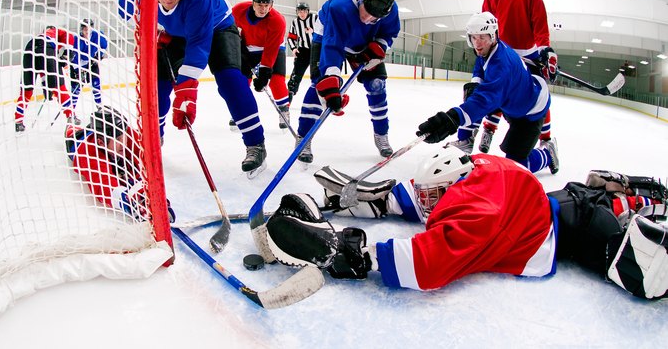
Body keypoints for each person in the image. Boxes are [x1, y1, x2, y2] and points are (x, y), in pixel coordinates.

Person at [264, 145, 668, 299]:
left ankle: (639, 199)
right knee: (588, 188)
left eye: (431, 196)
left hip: (567, 230)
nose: (425, 201)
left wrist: (353, 252)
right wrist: (361, 200)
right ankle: (631, 190)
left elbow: (434, 259)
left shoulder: (479, 210)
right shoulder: (473, 165)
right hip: (556, 199)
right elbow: (422, 192)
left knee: (638, 263)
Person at [117, 0, 267, 176]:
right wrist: (155, 29)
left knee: (231, 82)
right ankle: (154, 139)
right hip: (177, 34)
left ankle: (256, 144)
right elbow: (125, 8)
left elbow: (198, 44)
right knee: (157, 87)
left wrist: (186, 90)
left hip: (218, 28)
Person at [453, 0, 558, 172]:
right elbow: (485, 21)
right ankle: (485, 130)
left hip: (526, 55)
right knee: (488, 89)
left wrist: (545, 50)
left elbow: (540, 25)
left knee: (533, 96)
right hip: (499, 49)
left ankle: (545, 140)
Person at [416, 11, 556, 174]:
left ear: (494, 35)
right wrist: (475, 84)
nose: (477, 43)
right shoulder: (488, 49)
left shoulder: (502, 66)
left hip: (530, 109)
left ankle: (547, 153)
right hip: (512, 101)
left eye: (482, 37)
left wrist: (451, 119)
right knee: (472, 94)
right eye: (474, 37)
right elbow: (479, 67)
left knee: (515, 168)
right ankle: (466, 139)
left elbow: (485, 100)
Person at [296, 0, 401, 162]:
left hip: (364, 40)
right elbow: (333, 45)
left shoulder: (390, 10)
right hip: (328, 34)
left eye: (374, 18)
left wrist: (380, 45)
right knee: (320, 85)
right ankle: (303, 137)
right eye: (367, 13)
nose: (368, 19)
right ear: (361, 0)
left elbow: (389, 32)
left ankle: (381, 134)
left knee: (377, 85)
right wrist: (331, 81)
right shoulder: (340, 7)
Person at [65, 106, 150, 220]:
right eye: (117, 140)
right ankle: (71, 124)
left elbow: (146, 159)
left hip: (101, 136)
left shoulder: (125, 132)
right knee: (72, 132)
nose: (123, 144)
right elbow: (104, 185)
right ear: (101, 142)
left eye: (122, 138)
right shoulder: (89, 152)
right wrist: (126, 201)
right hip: (78, 140)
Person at [231, 0, 290, 129]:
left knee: (276, 81)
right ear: (253, 3)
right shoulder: (239, 10)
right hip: (248, 47)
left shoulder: (278, 21)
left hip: (273, 47)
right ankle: (241, 111)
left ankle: (284, 110)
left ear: (271, 5)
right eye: (259, 5)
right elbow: (228, 29)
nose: (263, 9)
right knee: (241, 80)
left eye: (266, 5)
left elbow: (270, 50)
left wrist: (264, 72)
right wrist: (237, 44)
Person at [14, 26, 78, 132]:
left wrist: (46, 88)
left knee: (26, 90)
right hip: (46, 48)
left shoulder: (41, 35)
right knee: (59, 86)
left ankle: (18, 122)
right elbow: (70, 36)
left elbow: (41, 68)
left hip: (29, 48)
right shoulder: (55, 30)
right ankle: (71, 116)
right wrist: (67, 54)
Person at [70, 18, 108, 112]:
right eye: (85, 29)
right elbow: (75, 58)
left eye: (89, 29)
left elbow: (104, 45)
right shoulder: (77, 40)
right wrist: (78, 71)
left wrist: (98, 56)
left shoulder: (97, 35)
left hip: (92, 62)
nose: (87, 31)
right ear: (81, 29)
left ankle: (99, 106)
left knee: (96, 83)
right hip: (79, 65)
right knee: (76, 88)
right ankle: (71, 111)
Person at [286, 2, 318, 103]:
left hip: (317, 50)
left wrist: (313, 31)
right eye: (299, 11)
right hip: (303, 50)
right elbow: (291, 38)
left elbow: (325, 32)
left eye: (304, 11)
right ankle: (289, 98)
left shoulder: (315, 18)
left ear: (308, 11)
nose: (302, 13)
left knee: (318, 75)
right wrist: (294, 49)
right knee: (296, 75)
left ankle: (320, 97)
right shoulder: (295, 22)